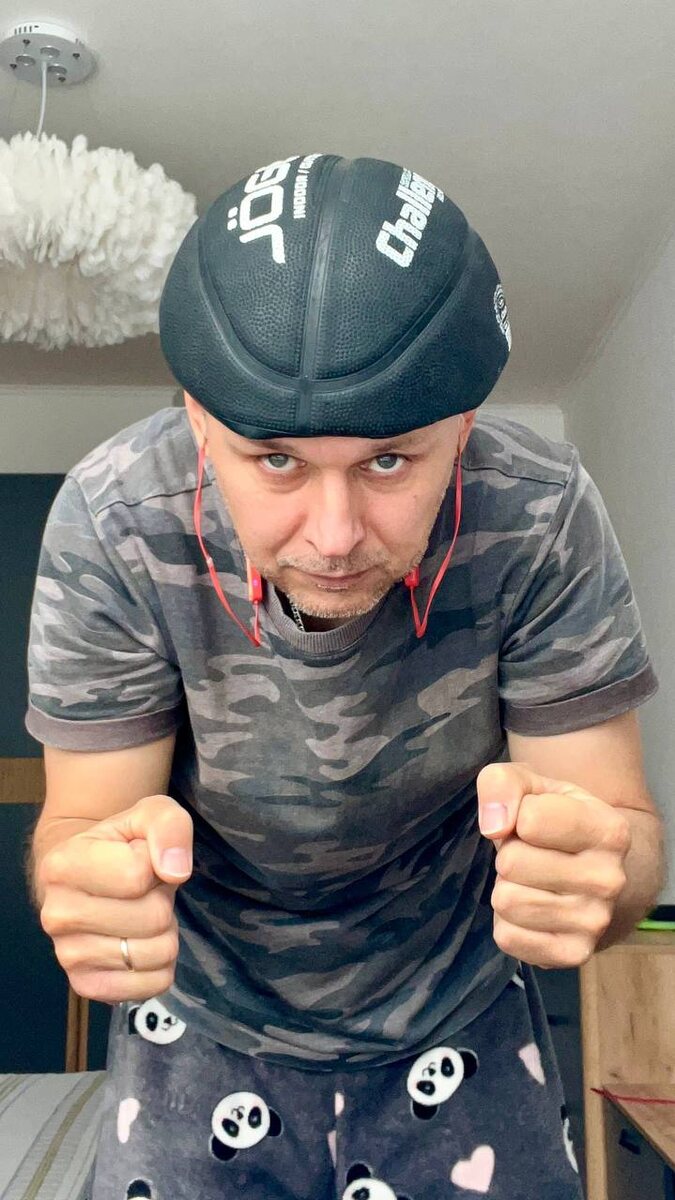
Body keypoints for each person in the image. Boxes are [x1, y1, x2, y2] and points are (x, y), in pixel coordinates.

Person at [26, 153, 664, 1200]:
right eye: (276, 460)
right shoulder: (114, 520)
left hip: (459, 1006)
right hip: (201, 1014)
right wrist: (87, 887)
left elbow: (621, 836)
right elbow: (81, 825)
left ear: (462, 428)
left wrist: (600, 880)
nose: (332, 536)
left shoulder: (541, 513)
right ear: (200, 423)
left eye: (388, 461)